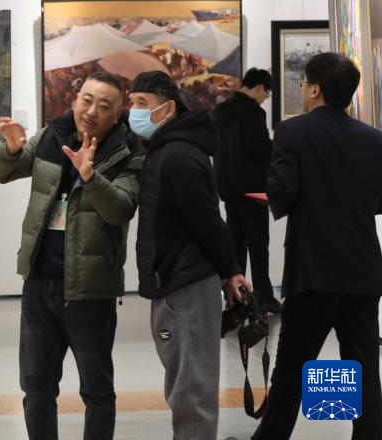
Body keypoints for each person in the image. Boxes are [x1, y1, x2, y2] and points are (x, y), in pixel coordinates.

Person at [0, 72, 141, 440]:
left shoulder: (127, 154)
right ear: (75, 98)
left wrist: (90, 176)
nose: (91, 111)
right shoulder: (51, 137)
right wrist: (10, 149)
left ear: (117, 113)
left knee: (97, 391)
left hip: (91, 291)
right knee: (36, 388)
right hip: (40, 285)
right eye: (87, 99)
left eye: (104, 106)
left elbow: (121, 208)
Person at [251, 52, 382, 440]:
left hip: (313, 271)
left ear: (314, 89)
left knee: (292, 369)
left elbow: (283, 191)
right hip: (363, 271)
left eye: (303, 83)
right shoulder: (374, 139)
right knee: (363, 368)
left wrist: (277, 197)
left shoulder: (292, 132)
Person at [128, 71, 249, 440]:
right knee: (185, 382)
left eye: (143, 104)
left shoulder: (178, 155)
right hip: (176, 280)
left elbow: (208, 221)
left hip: (186, 284)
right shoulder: (169, 149)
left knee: (192, 389)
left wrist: (230, 270)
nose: (134, 112)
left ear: (168, 109)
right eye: (132, 104)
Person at [211, 67, 281, 313]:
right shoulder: (252, 112)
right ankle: (263, 298)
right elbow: (261, 149)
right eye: (267, 94)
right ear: (259, 87)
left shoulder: (220, 112)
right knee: (258, 245)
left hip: (228, 190)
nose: (265, 99)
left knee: (236, 246)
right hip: (252, 191)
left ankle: (237, 299)